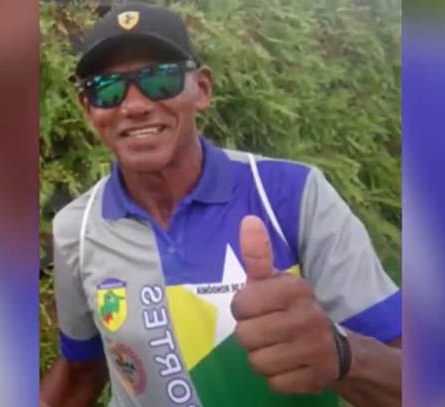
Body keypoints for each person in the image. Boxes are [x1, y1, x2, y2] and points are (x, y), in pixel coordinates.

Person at [40, 3, 401, 407]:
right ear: (88, 108)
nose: (134, 105)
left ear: (202, 89)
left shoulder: (291, 195)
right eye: (107, 88)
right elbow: (81, 371)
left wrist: (343, 355)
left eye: (160, 79)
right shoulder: (77, 229)